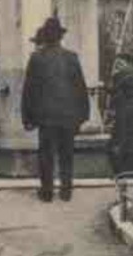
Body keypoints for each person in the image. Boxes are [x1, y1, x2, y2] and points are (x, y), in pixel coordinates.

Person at [21, 17, 90, 202]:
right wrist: (83, 115)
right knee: (67, 153)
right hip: (68, 115)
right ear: (60, 37)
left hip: (46, 116)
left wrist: (27, 117)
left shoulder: (36, 58)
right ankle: (66, 191)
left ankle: (47, 192)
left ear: (45, 37)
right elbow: (80, 88)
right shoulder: (72, 57)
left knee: (46, 155)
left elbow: (29, 90)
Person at [108, 52, 133, 174]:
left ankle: (119, 171)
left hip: (123, 111)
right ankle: (128, 170)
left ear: (125, 63)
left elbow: (113, 90)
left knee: (117, 141)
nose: (116, 65)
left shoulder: (121, 75)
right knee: (129, 140)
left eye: (119, 63)